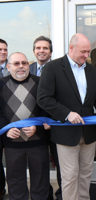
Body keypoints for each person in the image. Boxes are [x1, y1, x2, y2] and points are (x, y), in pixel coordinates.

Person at [37, 33, 96, 200]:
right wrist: (66, 114)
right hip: (66, 134)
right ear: (71, 49)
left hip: (89, 133)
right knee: (70, 176)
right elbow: (43, 98)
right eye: (83, 52)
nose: (87, 55)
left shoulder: (92, 70)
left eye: (89, 51)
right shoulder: (53, 68)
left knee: (85, 174)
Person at [0, 52, 50, 200]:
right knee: (15, 184)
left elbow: (47, 109)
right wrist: (6, 130)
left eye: (25, 63)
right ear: (8, 67)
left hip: (38, 141)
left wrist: (38, 127)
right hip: (12, 143)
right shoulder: (0, 85)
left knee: (41, 184)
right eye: (16, 64)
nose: (21, 66)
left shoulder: (40, 82)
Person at [29, 35, 62, 200]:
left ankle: (62, 194)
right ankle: (45, 194)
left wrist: (51, 119)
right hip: (36, 125)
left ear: (51, 51)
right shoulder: (28, 69)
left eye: (45, 48)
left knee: (61, 163)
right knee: (40, 165)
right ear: (34, 51)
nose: (41, 51)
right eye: (38, 48)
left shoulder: (59, 69)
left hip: (55, 123)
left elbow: (62, 98)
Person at [0, 38, 9, 200]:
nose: (3, 52)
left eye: (5, 49)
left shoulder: (13, 68)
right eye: (0, 49)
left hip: (10, 123)